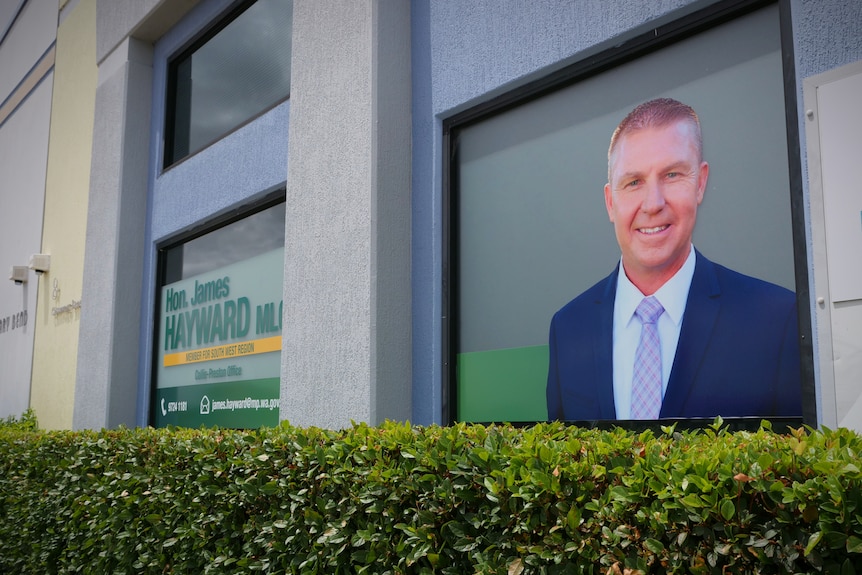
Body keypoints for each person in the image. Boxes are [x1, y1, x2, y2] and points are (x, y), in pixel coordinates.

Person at [546, 98, 802, 421]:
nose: (652, 203)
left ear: (700, 182)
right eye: (634, 182)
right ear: (611, 202)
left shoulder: (775, 322)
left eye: (671, 175)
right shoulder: (568, 329)